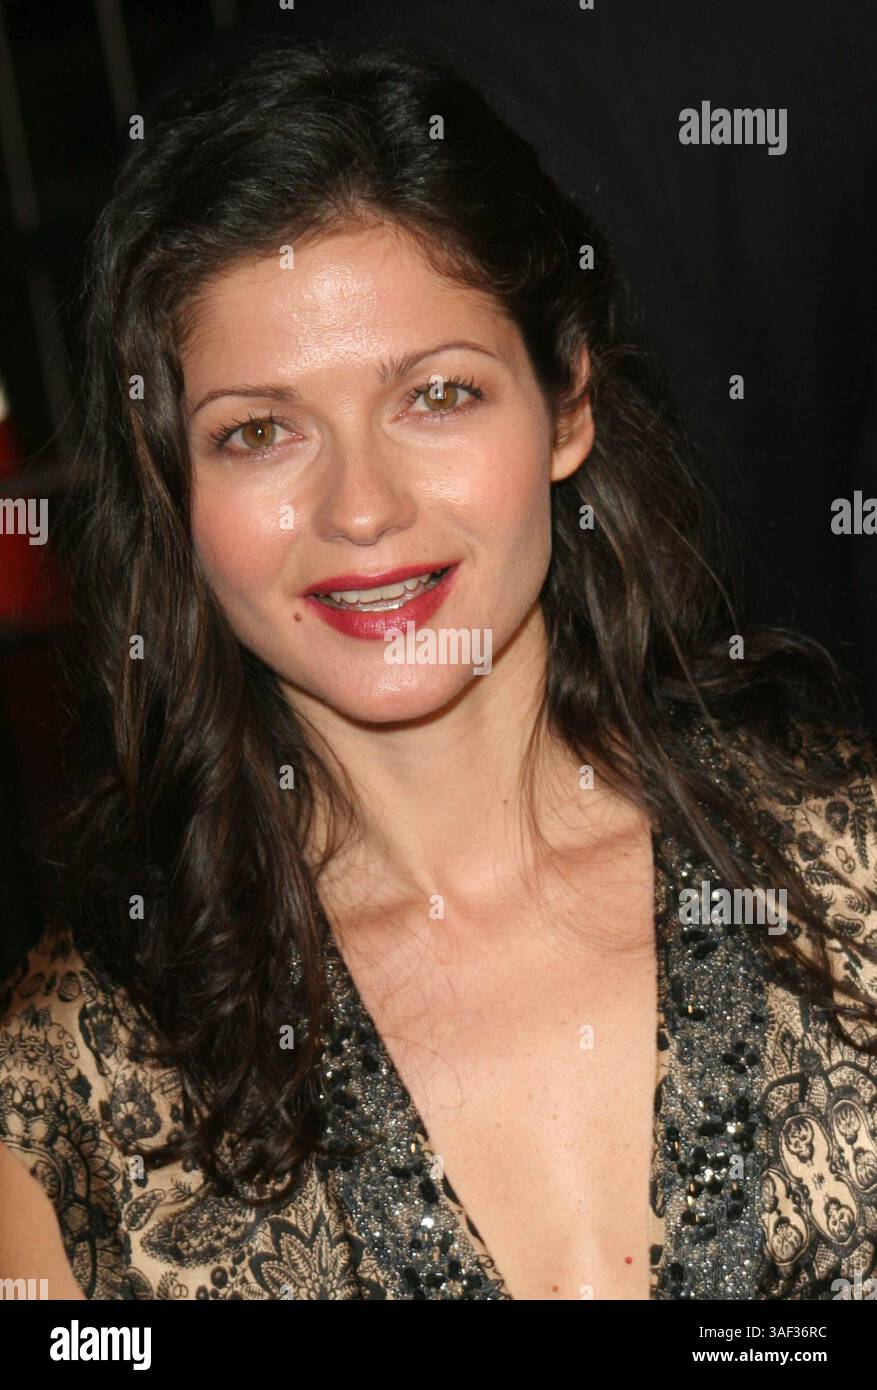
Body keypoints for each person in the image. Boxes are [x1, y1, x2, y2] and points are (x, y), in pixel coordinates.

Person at [1, 35, 876, 1302]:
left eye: (436, 396)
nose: (361, 507)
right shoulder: (77, 1090)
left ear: (566, 405)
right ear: (171, 486)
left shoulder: (850, 876)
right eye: (259, 430)